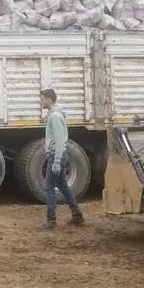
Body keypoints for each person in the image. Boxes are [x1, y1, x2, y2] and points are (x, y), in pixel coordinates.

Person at [40, 88, 84, 229]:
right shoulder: (55, 115)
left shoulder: (54, 117)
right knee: (63, 186)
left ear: (48, 99)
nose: (40, 102)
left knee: (49, 187)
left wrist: (57, 160)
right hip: (57, 155)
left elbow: (59, 140)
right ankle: (77, 215)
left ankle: (51, 220)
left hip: (56, 156)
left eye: (42, 99)